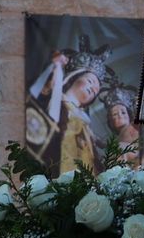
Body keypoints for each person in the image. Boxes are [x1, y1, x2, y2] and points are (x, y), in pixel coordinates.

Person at [25, 43, 108, 174]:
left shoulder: (86, 125)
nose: (93, 88)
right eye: (90, 81)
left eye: (96, 91)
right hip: (56, 163)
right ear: (74, 77)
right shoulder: (53, 97)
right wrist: (56, 67)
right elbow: (36, 95)